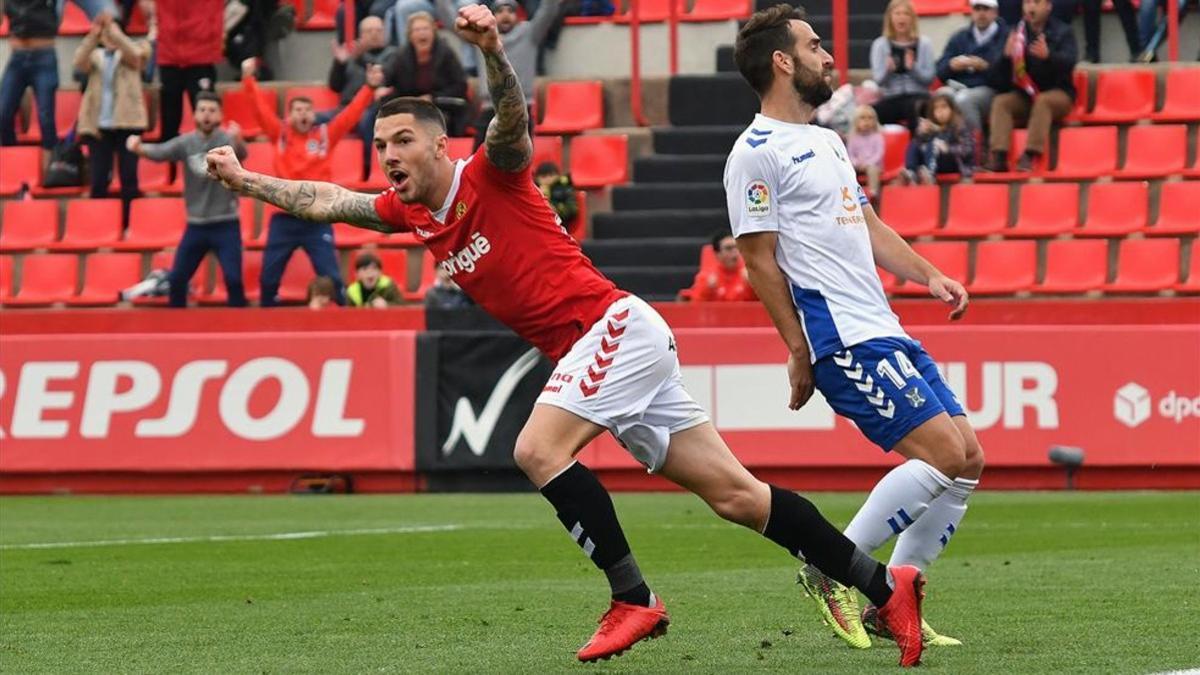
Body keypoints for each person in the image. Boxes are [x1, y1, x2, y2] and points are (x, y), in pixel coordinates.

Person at [206, 3, 927, 668]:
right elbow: (329, 199)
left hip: (612, 327)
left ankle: (634, 598)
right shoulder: (410, 213)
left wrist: (492, 50)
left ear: (439, 145)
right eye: (379, 144)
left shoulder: (491, 173)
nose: (388, 155)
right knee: (737, 496)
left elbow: (511, 121)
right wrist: (247, 180)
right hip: (612, 346)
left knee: (534, 448)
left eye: (402, 140)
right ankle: (880, 582)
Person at [725, 3, 982, 656]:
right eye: (814, 46)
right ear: (783, 61)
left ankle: (897, 598)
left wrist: (928, 274)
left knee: (967, 459)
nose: (828, 55)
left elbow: (866, 226)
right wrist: (798, 349)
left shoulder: (828, 139)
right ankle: (828, 566)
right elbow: (759, 261)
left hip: (883, 326)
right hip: (841, 336)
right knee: (943, 456)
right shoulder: (753, 155)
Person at [240, 56, 385, 306]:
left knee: (332, 278)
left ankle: (340, 320)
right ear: (290, 115)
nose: (303, 114)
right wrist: (248, 79)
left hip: (317, 218)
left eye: (307, 110)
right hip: (284, 217)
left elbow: (350, 115)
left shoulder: (325, 135)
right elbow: (259, 108)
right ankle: (265, 322)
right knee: (268, 279)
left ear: (313, 113)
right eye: (298, 110)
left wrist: (369, 88)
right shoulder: (280, 134)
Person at [127, 92, 248, 308]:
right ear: (195, 114)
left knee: (234, 280)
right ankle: (175, 330)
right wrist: (139, 148)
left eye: (212, 110)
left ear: (220, 115)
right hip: (196, 226)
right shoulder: (186, 142)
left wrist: (238, 139)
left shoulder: (226, 140)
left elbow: (241, 153)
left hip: (226, 223)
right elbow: (161, 152)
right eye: (202, 110)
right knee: (177, 280)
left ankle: (240, 330)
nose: (206, 115)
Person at [436, 0, 560, 149]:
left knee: (520, 163)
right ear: (492, 16)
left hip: (521, 109)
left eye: (510, 11)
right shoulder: (481, 35)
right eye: (500, 11)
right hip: (490, 109)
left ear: (518, 15)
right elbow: (451, 21)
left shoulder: (530, 33)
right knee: (477, 162)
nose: (505, 15)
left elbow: (549, 10)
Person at [74, 13, 152, 225]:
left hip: (128, 124)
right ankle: (99, 224)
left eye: (113, 31)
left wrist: (117, 36)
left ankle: (130, 224)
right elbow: (78, 62)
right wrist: (93, 35)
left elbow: (136, 58)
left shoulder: (139, 47)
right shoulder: (95, 56)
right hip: (99, 126)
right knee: (99, 179)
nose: (109, 36)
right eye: (106, 33)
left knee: (129, 178)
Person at [984, 0, 1077, 173]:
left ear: (1048, 6)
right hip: (1025, 94)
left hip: (1059, 93)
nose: (1030, 7)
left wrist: (1049, 57)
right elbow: (994, 76)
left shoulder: (1063, 31)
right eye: (1026, 3)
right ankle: (999, 156)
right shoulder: (1014, 33)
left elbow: (1070, 63)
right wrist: (1005, 57)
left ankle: (1030, 154)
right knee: (1001, 102)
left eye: (1036, 2)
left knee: (1043, 101)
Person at [382, 12, 470, 136]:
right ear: (410, 35)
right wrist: (380, 86)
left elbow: (460, 85)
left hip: (440, 104)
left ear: (433, 32)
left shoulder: (446, 53)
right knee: (373, 115)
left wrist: (432, 98)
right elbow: (387, 78)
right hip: (410, 105)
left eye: (425, 29)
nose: (422, 33)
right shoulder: (402, 55)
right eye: (417, 30)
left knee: (434, 121)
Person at [329, 16, 397, 172]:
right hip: (345, 109)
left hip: (374, 108)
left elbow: (383, 75)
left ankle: (369, 167)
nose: (374, 34)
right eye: (369, 31)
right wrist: (339, 64)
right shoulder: (350, 57)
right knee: (314, 119)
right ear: (360, 35)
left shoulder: (393, 55)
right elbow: (335, 86)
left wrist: (358, 57)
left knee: (368, 121)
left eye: (378, 30)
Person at [0, 0, 60, 163]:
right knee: (3, 114)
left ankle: (51, 166)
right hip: (17, 57)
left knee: (46, 117)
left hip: (44, 55)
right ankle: (12, 162)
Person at [156, 0, 222, 143]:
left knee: (208, 118)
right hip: (169, 54)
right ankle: (170, 164)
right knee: (169, 123)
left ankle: (214, 162)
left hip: (202, 54)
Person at [935, 0, 1006, 132]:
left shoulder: (1005, 36)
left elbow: (1006, 78)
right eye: (977, 9)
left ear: (995, 12)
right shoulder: (959, 37)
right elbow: (940, 70)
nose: (981, 13)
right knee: (941, 95)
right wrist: (951, 66)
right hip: (960, 86)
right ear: (971, 11)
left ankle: (974, 147)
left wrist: (984, 67)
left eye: (986, 9)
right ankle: (942, 146)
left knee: (964, 99)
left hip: (991, 90)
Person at [870, 0, 935, 129]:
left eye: (906, 14)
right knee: (869, 113)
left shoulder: (924, 43)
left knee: (913, 107)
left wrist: (914, 68)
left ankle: (915, 146)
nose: (901, 18)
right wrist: (888, 70)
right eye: (897, 13)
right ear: (890, 18)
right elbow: (878, 80)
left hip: (918, 95)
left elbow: (929, 79)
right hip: (891, 97)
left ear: (912, 19)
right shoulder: (880, 45)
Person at [899, 92, 976, 184]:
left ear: (952, 109)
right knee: (914, 143)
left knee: (934, 143)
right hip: (934, 163)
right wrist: (921, 133)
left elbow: (968, 150)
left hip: (954, 163)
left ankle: (929, 175)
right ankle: (911, 172)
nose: (940, 111)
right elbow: (922, 147)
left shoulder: (960, 127)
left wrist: (948, 148)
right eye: (936, 108)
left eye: (944, 107)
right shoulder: (931, 128)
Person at [681, 232, 757, 303]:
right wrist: (708, 290)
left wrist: (752, 286)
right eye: (729, 248)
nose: (735, 252)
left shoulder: (751, 275)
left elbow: (760, 304)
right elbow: (695, 305)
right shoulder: (705, 278)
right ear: (717, 254)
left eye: (737, 247)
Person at [846, 105, 884, 199]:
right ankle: (851, 193)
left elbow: (878, 154)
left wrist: (867, 163)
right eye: (862, 118)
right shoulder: (853, 138)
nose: (867, 121)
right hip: (857, 165)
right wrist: (856, 163)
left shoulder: (877, 137)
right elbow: (850, 154)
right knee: (847, 170)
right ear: (856, 122)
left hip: (873, 165)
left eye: (870, 118)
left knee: (872, 170)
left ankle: (873, 193)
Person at [533, 161, 578, 231]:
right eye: (543, 177)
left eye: (551, 175)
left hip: (561, 226)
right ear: (537, 178)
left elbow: (572, 210)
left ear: (558, 175)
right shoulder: (533, 190)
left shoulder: (564, 188)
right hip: (539, 226)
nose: (548, 179)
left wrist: (556, 209)